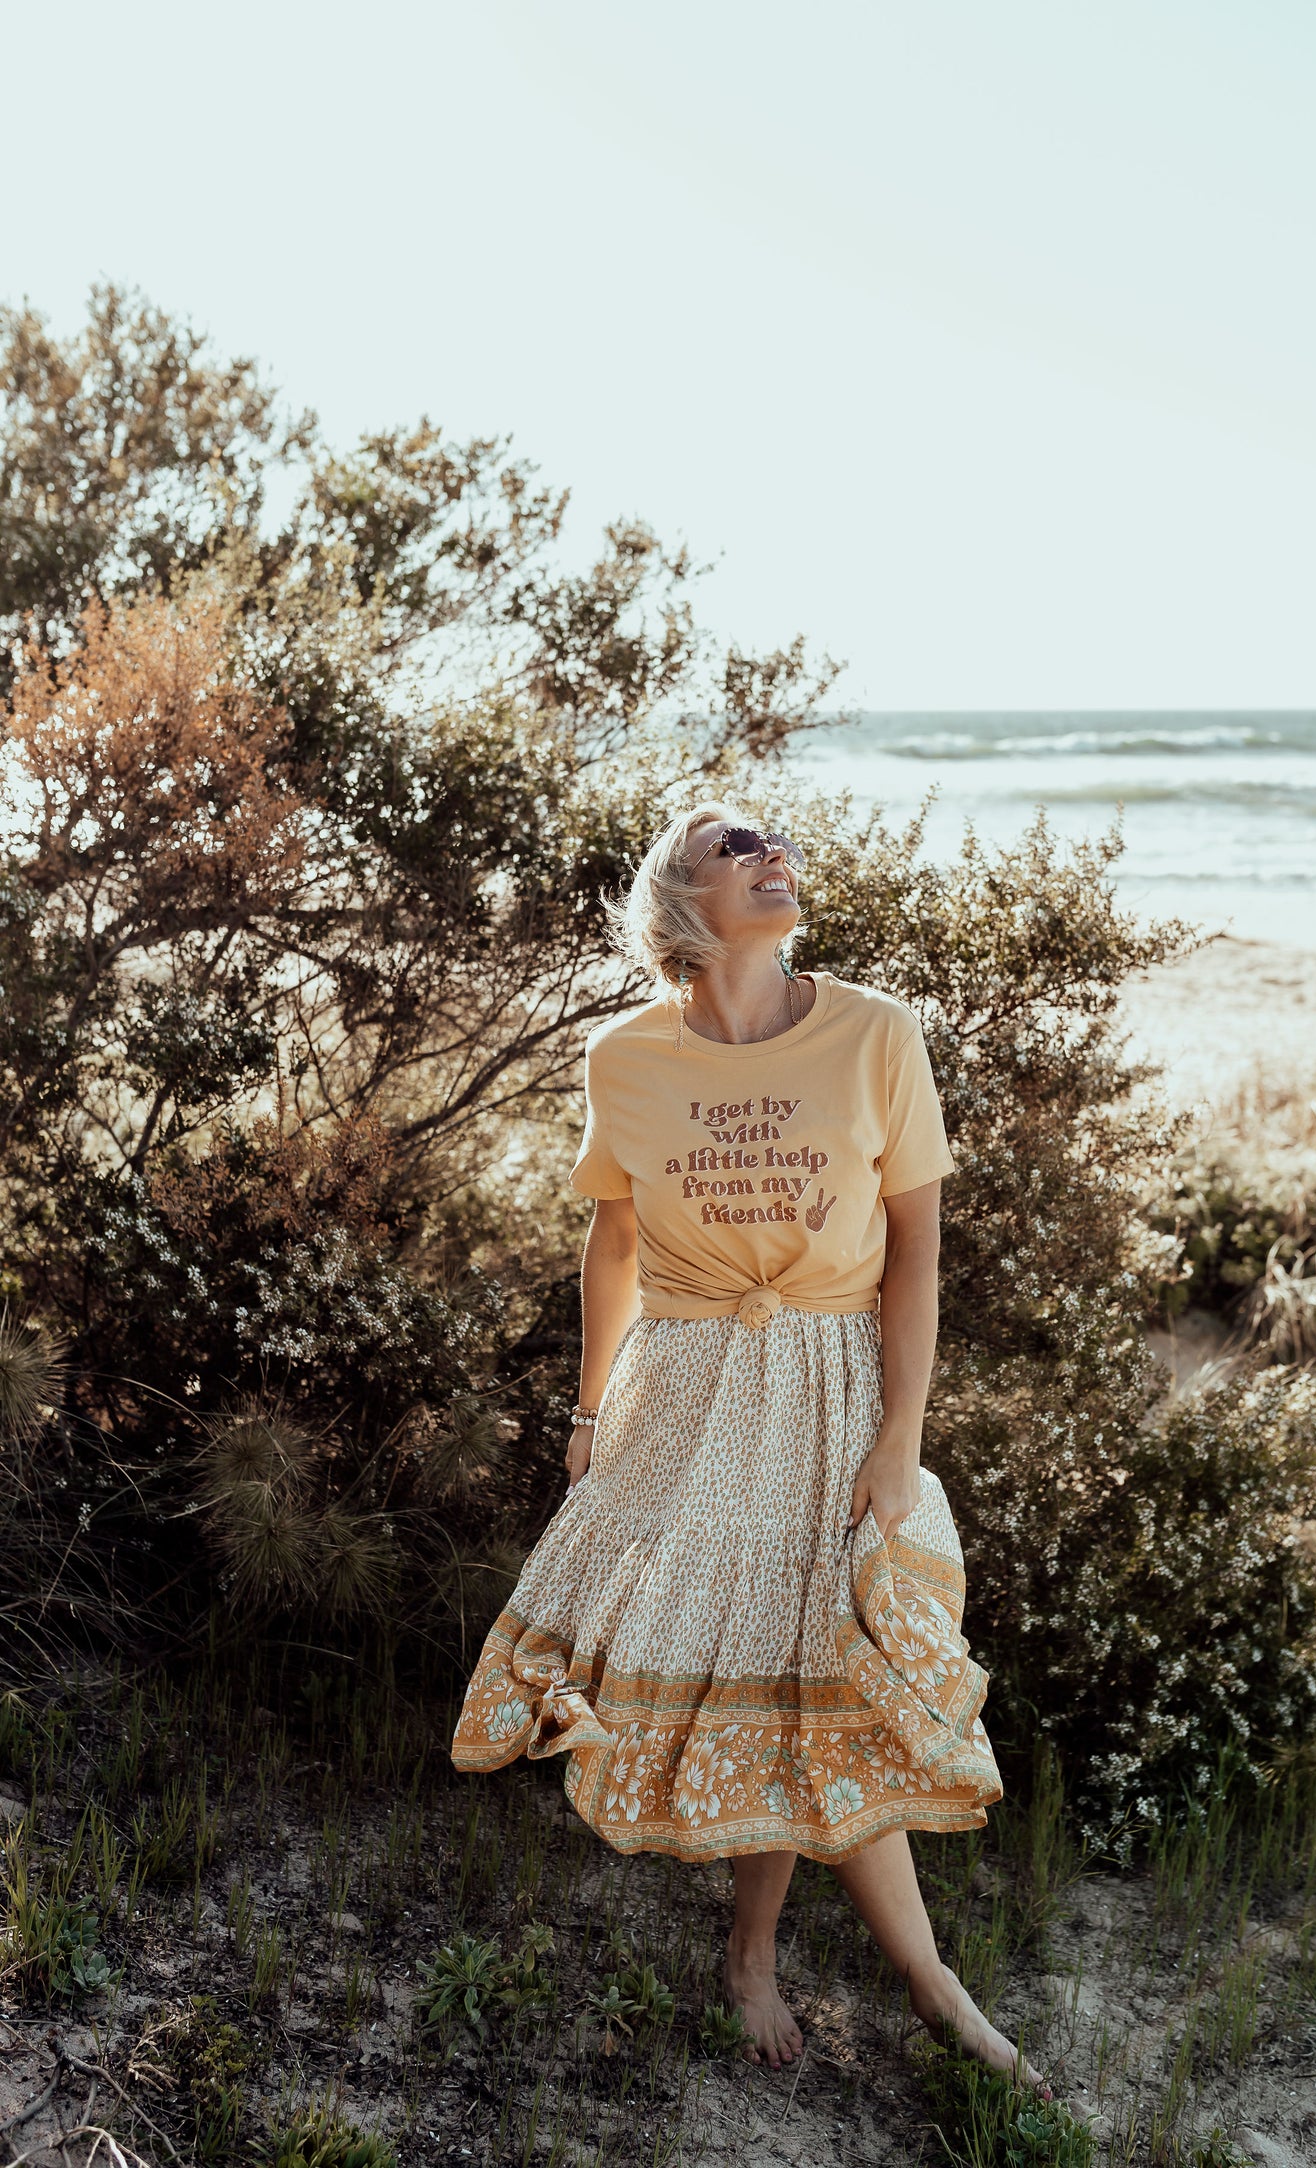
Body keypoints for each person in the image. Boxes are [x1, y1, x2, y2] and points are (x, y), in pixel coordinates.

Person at [452, 802, 1046, 2089]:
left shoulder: (875, 1031)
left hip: (829, 1385)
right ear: (681, 899)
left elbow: (917, 1252)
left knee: (827, 1662)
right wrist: (587, 1407)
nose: (773, 852)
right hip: (686, 1388)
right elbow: (611, 1242)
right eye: (737, 845)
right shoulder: (625, 1057)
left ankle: (924, 1976)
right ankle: (755, 1956)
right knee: (751, 1668)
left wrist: (901, 1439)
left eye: (777, 840)